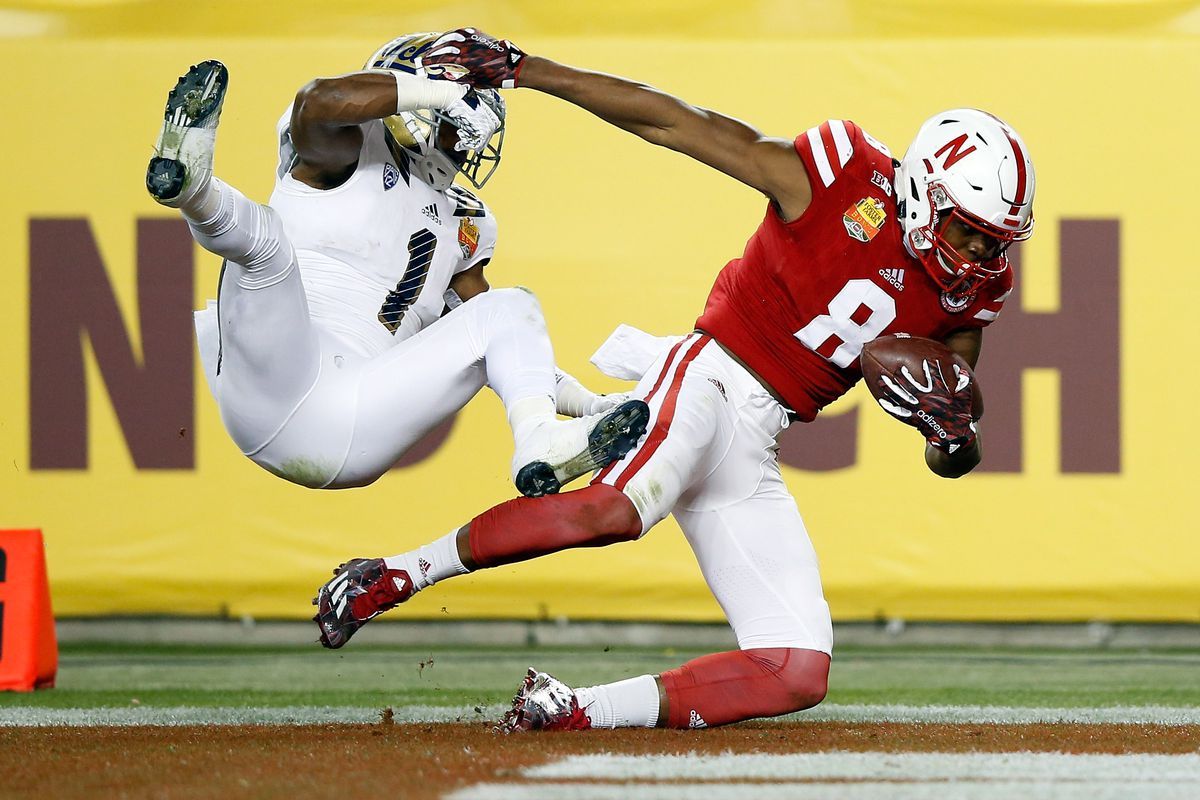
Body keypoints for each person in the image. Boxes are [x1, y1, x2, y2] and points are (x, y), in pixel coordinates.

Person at [313, 29, 1036, 730]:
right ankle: (392, 575)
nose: (979, 251)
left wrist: (952, 432)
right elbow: (677, 124)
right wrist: (529, 70)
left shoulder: (970, 294)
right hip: (708, 375)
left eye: (995, 240)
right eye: (967, 229)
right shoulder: (840, 176)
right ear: (919, 192)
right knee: (612, 513)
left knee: (798, 668)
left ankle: (576, 710)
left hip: (759, 439)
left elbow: (951, 450)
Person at [144, 34, 650, 504]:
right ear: (415, 100)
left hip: (356, 418)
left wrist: (587, 404)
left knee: (511, 306)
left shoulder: (467, 221)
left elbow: (507, 347)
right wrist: (444, 94)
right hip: (275, 376)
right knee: (269, 247)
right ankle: (192, 188)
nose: (465, 145)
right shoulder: (350, 144)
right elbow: (317, 101)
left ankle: (540, 440)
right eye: (456, 125)